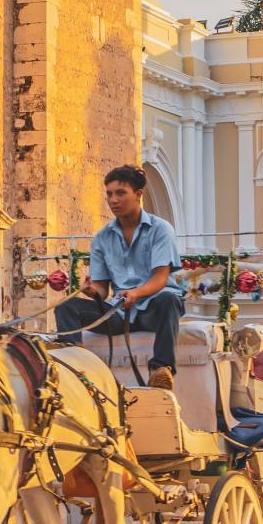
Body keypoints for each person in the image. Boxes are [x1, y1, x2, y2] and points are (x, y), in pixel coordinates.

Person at [52, 165, 184, 392]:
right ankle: (76, 366)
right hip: (119, 311)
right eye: (109, 194)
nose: (113, 200)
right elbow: (102, 289)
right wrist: (92, 291)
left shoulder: (161, 229)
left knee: (169, 300)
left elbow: (160, 278)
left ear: (138, 195)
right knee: (66, 307)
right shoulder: (102, 238)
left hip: (154, 308)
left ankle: (161, 370)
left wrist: (137, 293)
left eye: (120, 193)